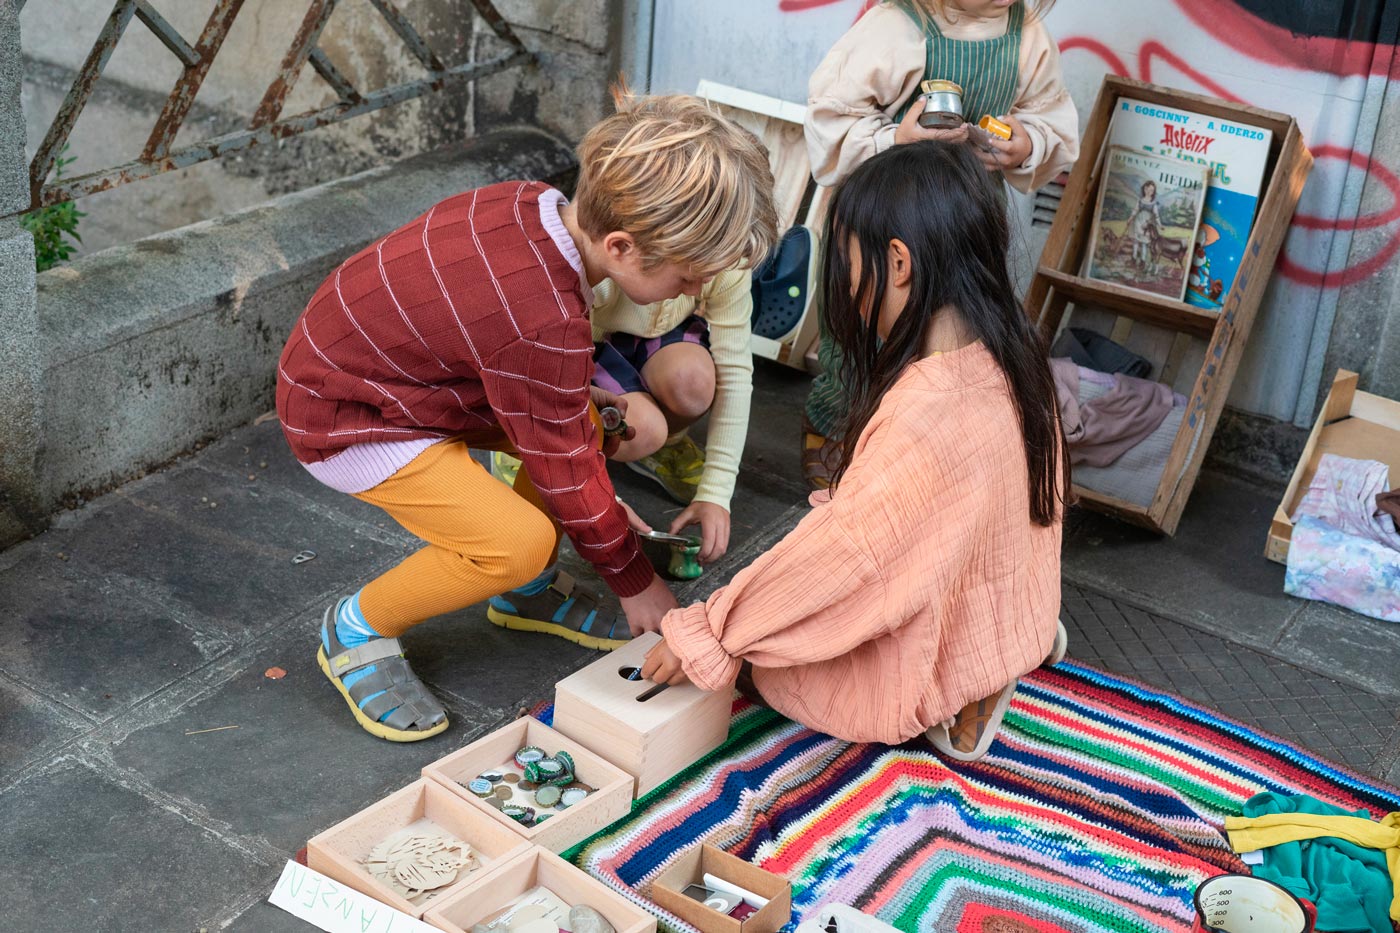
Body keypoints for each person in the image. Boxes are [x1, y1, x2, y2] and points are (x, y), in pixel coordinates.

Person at [275, 90, 778, 742]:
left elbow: (538, 402)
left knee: (589, 428)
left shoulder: (530, 202)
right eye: (686, 280)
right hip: (350, 418)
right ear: (623, 246)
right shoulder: (544, 318)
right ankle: (357, 626)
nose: (690, 295)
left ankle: (527, 592)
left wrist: (570, 412)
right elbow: (563, 461)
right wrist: (635, 580)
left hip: (391, 382)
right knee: (517, 542)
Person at [641, 141, 1069, 761]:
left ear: (898, 264)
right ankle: (1002, 650)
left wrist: (710, 632)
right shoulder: (1012, 356)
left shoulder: (928, 408)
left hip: (925, 667)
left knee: (773, 663)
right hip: (1010, 616)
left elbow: (845, 559)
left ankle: (951, 688)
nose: (844, 284)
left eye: (846, 264)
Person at [800, 0, 1079, 489]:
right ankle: (837, 427)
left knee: (955, 335)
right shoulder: (895, 26)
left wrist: (1026, 143)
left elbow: (1051, 117)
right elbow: (830, 119)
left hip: (963, 218)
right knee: (862, 335)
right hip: (883, 218)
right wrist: (895, 139)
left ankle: (928, 447)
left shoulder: (1026, 35)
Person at [495, 267, 758, 565]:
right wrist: (602, 499)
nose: (699, 289)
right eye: (688, 277)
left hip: (651, 332)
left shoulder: (729, 257)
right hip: (579, 343)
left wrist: (716, 494)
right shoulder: (593, 273)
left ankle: (661, 448)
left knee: (693, 384)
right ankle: (523, 447)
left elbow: (735, 372)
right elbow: (548, 379)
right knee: (643, 429)